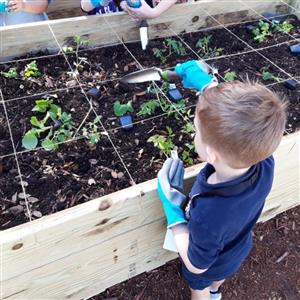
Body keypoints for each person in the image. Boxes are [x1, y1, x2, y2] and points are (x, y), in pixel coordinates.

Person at [157, 60, 287, 300]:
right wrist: (207, 88)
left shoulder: (211, 212)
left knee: (200, 285)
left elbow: (197, 264)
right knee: (218, 277)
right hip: (237, 250)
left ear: (211, 153)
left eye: (197, 131)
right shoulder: (264, 163)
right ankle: (216, 290)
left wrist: (173, 213)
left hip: (210, 264)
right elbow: (245, 122)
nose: (196, 133)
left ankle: (208, 294)